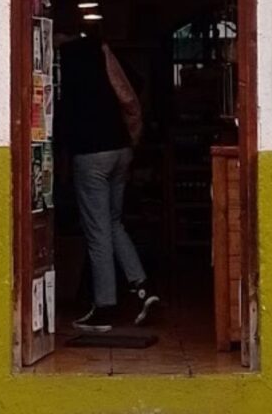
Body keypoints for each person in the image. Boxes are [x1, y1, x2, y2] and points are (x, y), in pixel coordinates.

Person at [57, 26, 159, 333]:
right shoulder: (99, 49)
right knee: (114, 222)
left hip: (91, 154)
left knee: (97, 230)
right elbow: (128, 94)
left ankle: (105, 307)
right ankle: (143, 287)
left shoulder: (58, 58)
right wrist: (133, 136)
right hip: (119, 148)